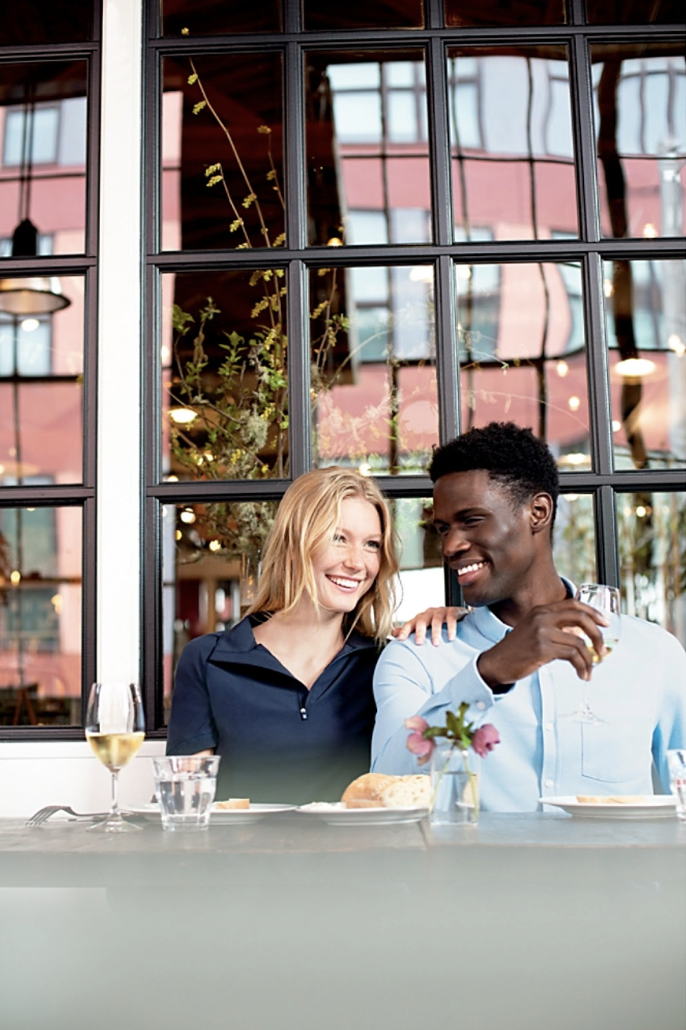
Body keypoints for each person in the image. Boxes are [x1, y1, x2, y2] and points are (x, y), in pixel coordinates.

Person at [371, 422, 686, 811]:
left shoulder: (653, 653)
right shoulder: (419, 656)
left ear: (538, 512)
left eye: (471, 520)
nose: (450, 545)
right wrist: (486, 674)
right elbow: (386, 790)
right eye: (443, 528)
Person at [167, 465, 447, 804]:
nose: (357, 562)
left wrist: (458, 622)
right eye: (338, 538)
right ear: (293, 545)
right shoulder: (209, 660)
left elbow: (425, 775)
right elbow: (188, 804)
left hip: (359, 855)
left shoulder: (388, 663)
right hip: (243, 856)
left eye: (371, 544)